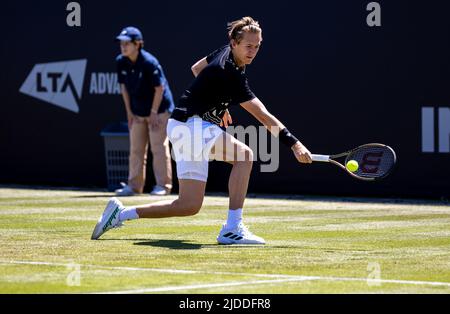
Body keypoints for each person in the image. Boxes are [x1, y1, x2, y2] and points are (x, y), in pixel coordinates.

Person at [92, 17, 312, 244]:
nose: (253, 51)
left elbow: (197, 68)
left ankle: (120, 214)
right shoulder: (231, 75)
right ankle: (232, 228)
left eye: (257, 46)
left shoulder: (224, 53)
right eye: (248, 46)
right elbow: (263, 116)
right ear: (234, 43)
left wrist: (217, 102)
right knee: (244, 156)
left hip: (181, 125)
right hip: (191, 125)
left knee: (188, 205)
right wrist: (294, 144)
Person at [114, 26, 174, 196]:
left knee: (158, 148)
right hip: (138, 111)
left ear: (138, 44)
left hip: (159, 110)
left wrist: (154, 113)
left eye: (127, 43)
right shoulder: (120, 61)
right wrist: (129, 112)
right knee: (136, 148)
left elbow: (159, 88)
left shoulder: (149, 62)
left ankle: (163, 186)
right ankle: (134, 186)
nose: (123, 46)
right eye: (121, 43)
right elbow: (124, 88)